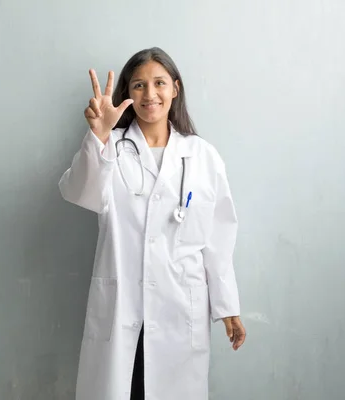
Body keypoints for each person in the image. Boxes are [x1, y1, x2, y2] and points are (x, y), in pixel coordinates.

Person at [58, 47, 246, 400]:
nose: (150, 94)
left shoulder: (202, 156)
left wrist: (228, 307)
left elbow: (218, 238)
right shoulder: (110, 146)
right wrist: (98, 136)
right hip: (124, 308)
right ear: (127, 94)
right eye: (139, 85)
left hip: (179, 308)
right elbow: (77, 191)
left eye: (159, 83)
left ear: (175, 89)